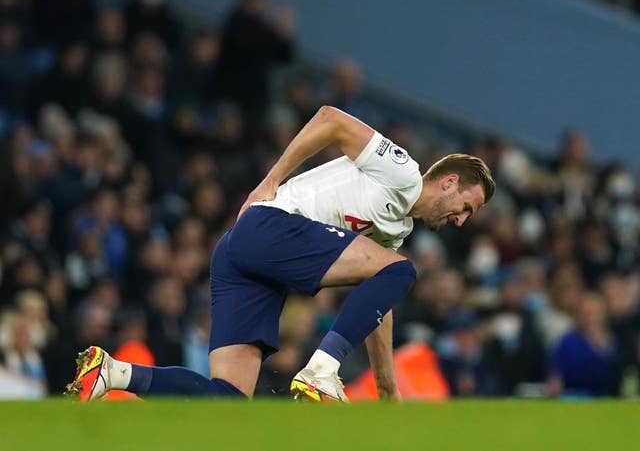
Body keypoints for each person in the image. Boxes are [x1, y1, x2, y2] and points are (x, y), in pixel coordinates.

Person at [66, 105, 494, 402]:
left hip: (244, 258)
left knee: (228, 400)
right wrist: (269, 181)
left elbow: (379, 302)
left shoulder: (395, 232)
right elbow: (329, 119)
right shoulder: (400, 172)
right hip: (269, 227)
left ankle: (115, 373)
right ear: (449, 181)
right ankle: (320, 370)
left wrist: (387, 387)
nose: (462, 220)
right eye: (467, 208)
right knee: (401, 271)